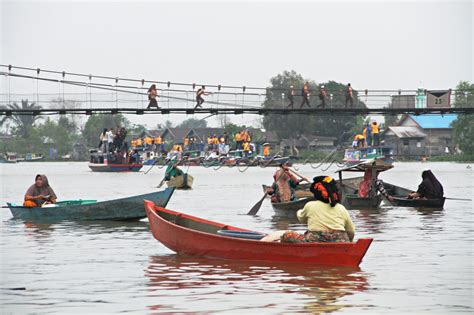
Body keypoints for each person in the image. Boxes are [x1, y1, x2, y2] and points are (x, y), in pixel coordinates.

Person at [262, 176, 355, 243]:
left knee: (286, 235)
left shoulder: (310, 205)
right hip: (340, 240)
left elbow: (301, 218)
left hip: (315, 240)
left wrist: (298, 212)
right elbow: (351, 230)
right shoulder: (341, 207)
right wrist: (349, 242)